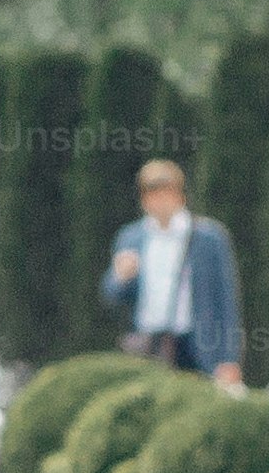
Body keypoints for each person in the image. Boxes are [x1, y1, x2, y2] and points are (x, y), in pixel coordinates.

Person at [102, 156, 245, 386]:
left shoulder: (208, 237)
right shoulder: (132, 237)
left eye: (165, 193)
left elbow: (226, 300)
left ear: (179, 195)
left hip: (195, 345)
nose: (159, 202)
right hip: (149, 345)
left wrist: (229, 358)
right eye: (152, 194)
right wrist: (121, 276)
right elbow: (111, 293)